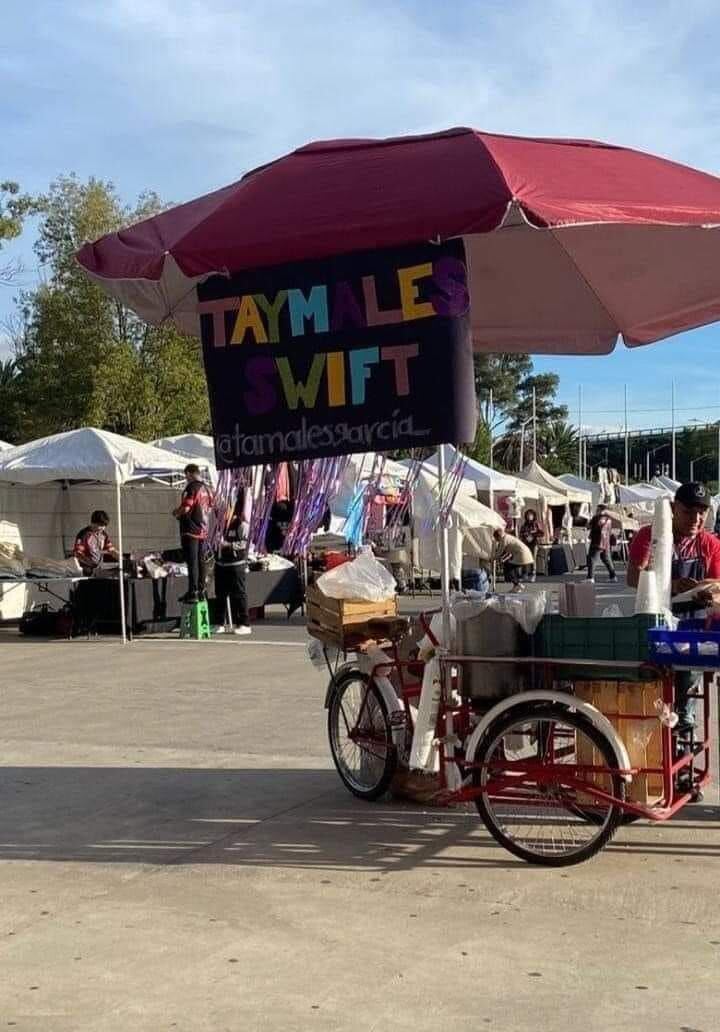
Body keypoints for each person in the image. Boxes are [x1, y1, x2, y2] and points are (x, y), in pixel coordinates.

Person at [628, 482, 720, 765]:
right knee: (654, 695)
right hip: (655, 624)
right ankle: (652, 756)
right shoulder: (651, 534)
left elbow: (718, 581)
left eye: (701, 513)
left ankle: (682, 759)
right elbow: (633, 577)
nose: (696, 519)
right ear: (673, 509)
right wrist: (669, 585)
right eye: (688, 511)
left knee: (686, 697)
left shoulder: (709, 544)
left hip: (693, 630)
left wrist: (707, 590)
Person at [173, 464, 213, 603]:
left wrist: (176, 512)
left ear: (189, 473)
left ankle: (193, 591)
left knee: (192, 562)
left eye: (186, 476)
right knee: (201, 561)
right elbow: (211, 506)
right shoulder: (206, 488)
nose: (186, 479)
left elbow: (186, 507)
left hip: (190, 530)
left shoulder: (192, 487)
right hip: (203, 529)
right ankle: (202, 589)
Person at [214, 505, 251, 636]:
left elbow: (247, 544)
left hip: (237, 565)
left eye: (223, 512)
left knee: (239, 594)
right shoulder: (219, 526)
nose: (221, 515)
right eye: (219, 513)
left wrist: (228, 545)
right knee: (220, 595)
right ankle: (219, 623)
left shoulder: (241, 525)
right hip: (221, 565)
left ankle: (244, 623)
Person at [73, 510, 119, 576]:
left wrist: (123, 560)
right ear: (93, 523)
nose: (103, 528)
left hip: (98, 568)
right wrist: (92, 565)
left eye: (104, 526)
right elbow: (78, 554)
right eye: (100, 525)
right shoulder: (84, 534)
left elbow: (112, 550)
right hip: (86, 570)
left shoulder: (103, 534)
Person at [587, 505, 618, 583]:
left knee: (592, 559)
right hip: (606, 543)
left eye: (597, 509)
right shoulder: (609, 519)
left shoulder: (596, 518)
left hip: (596, 541)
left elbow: (588, 526)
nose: (596, 510)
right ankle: (613, 576)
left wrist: (588, 521)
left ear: (599, 509)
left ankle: (590, 577)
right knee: (607, 559)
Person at [518, 509, 543, 582]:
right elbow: (521, 533)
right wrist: (525, 535)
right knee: (525, 558)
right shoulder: (524, 524)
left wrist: (533, 534)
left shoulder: (536, 524)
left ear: (533, 516)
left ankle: (533, 574)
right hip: (526, 543)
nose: (529, 516)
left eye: (531, 515)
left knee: (533, 559)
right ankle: (524, 574)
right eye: (528, 515)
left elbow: (542, 533)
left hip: (534, 543)